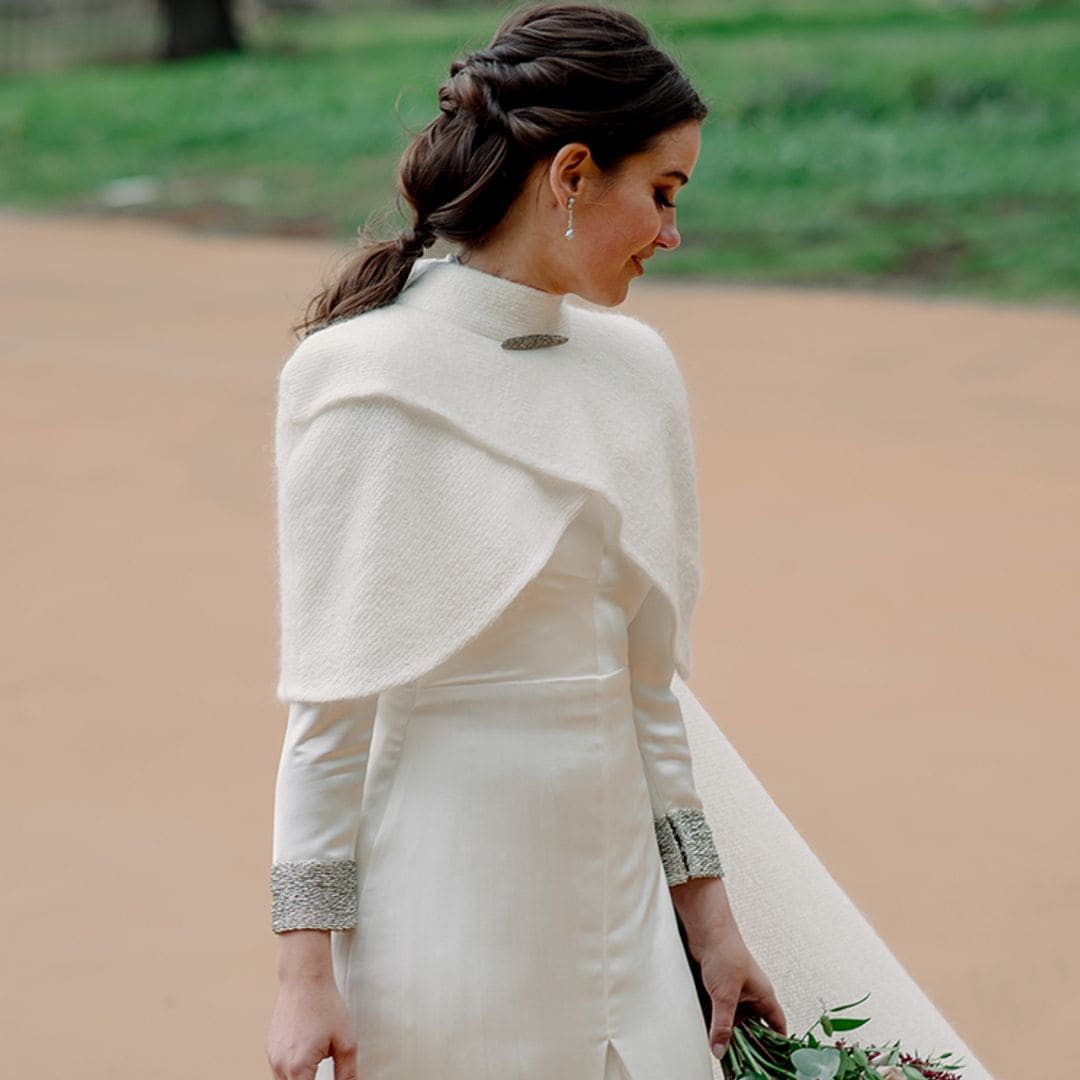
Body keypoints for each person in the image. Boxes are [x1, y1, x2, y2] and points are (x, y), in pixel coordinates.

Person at [266, 5, 995, 1080]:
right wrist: (303, 978)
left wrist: (709, 923)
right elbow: (328, 712)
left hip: (627, 914)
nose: (672, 233)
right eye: (661, 193)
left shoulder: (636, 373)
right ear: (569, 174)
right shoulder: (365, 379)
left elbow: (651, 691)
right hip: (444, 914)